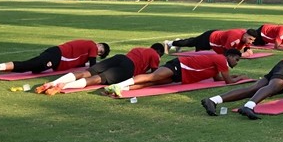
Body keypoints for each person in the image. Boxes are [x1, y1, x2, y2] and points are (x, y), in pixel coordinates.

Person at [104, 49, 247, 97]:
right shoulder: (221, 60)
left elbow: (218, 79)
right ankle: (119, 84)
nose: (237, 62)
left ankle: (118, 88)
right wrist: (239, 78)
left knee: (152, 83)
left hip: (182, 75)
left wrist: (233, 76)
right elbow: (228, 81)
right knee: (152, 76)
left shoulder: (218, 65)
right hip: (179, 65)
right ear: (229, 56)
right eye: (237, 59)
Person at [34, 44, 164, 94]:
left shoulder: (139, 48)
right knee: (98, 79)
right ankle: (63, 86)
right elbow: (154, 74)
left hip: (121, 58)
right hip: (129, 68)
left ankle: (52, 83)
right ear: (158, 52)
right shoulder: (155, 55)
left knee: (87, 72)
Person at [0, 39, 110, 81]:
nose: (99, 50)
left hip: (56, 58)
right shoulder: (92, 45)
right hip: (56, 54)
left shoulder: (85, 55)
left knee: (30, 68)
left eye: (101, 53)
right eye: (101, 48)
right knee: (28, 64)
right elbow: (92, 65)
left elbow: (85, 62)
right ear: (98, 44)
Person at [165, 29, 254, 56]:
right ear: (245, 36)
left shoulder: (245, 36)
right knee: (191, 43)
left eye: (253, 40)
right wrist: (242, 55)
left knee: (191, 42)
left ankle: (177, 42)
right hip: (209, 38)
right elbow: (227, 53)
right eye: (250, 39)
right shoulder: (234, 36)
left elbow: (246, 45)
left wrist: (248, 49)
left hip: (215, 37)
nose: (251, 42)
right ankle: (169, 43)